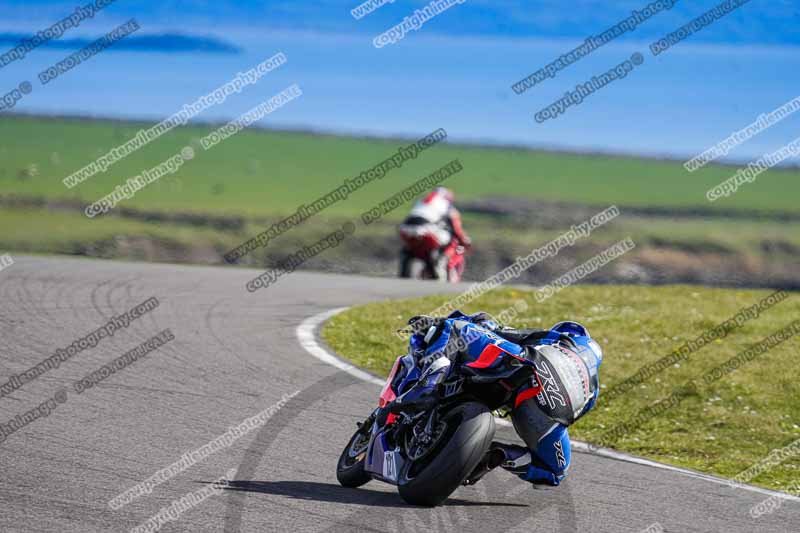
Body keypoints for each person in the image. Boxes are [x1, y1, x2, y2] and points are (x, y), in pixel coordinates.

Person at [406, 310, 602, 487]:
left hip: (535, 369)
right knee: (553, 473)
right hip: (552, 416)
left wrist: (441, 321)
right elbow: (574, 415)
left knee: (454, 329)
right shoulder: (593, 387)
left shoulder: (557, 339)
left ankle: (427, 388)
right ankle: (497, 456)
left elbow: (496, 329)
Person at [398, 187, 471, 279]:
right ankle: (441, 261)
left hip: (405, 228)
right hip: (426, 230)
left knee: (408, 248)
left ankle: (407, 260)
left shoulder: (421, 201)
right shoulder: (447, 205)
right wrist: (465, 241)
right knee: (450, 239)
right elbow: (457, 229)